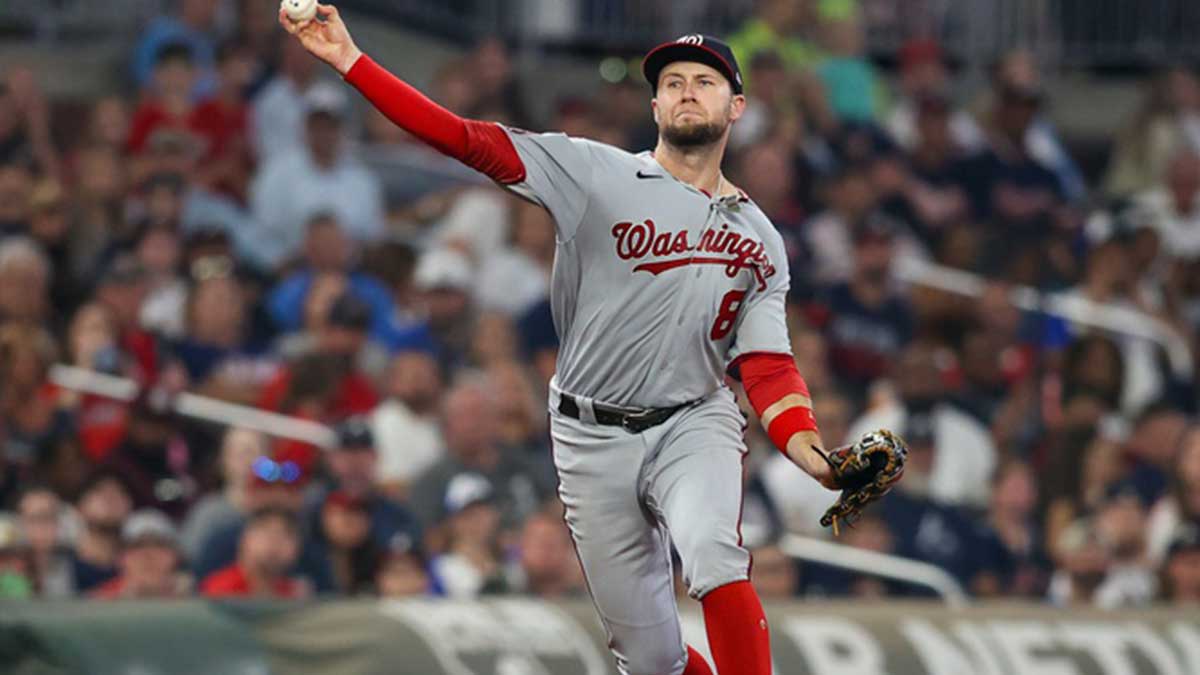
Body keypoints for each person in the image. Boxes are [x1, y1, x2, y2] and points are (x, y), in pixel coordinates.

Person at [281, 10, 897, 675]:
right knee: (651, 657)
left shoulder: (760, 238)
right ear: (655, 102)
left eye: (706, 81)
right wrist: (351, 60)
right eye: (674, 81)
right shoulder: (593, 173)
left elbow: (769, 367)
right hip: (588, 433)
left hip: (694, 418)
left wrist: (816, 459)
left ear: (737, 106)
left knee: (715, 553)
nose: (688, 89)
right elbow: (465, 139)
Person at [200, 506, 309, 598]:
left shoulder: (294, 593)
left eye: (287, 534)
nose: (275, 541)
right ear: (245, 539)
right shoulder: (220, 591)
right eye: (265, 530)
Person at [90, 509, 191, 599]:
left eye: (158, 545)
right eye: (137, 546)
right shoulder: (98, 602)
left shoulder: (201, 598)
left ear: (176, 555)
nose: (147, 555)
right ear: (120, 557)